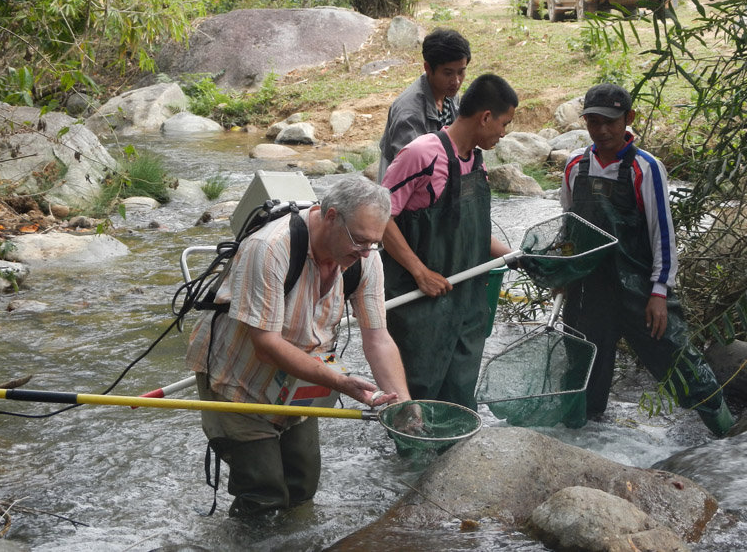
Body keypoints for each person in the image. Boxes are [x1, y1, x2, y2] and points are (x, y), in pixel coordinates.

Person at [185, 176, 412, 517]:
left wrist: (403, 404)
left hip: (301, 379)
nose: (366, 252)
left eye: (373, 244)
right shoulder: (271, 247)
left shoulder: (365, 258)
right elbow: (266, 345)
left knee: (302, 488)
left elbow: (377, 338)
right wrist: (342, 383)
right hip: (237, 382)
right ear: (331, 217)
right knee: (264, 496)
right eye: (360, 241)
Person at [560, 83, 734, 436]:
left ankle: (728, 433)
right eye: (593, 122)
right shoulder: (575, 166)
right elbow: (567, 228)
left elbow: (663, 235)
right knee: (583, 374)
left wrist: (659, 293)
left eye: (611, 121)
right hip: (587, 291)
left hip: (639, 289)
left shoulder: (646, 168)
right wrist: (562, 271)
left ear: (629, 119)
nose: (603, 130)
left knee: (679, 362)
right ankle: (583, 444)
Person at [381, 73, 518, 410]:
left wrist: (518, 256)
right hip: (420, 307)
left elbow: (469, 232)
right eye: (504, 124)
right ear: (485, 117)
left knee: (458, 400)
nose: (504, 133)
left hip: (467, 304)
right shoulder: (421, 154)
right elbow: (379, 217)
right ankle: (410, 464)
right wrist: (420, 272)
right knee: (417, 399)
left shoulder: (476, 160)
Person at [377, 28, 471, 181]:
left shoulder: (449, 95)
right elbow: (412, 170)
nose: (456, 81)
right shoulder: (409, 113)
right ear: (428, 68)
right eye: (447, 73)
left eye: (461, 72)